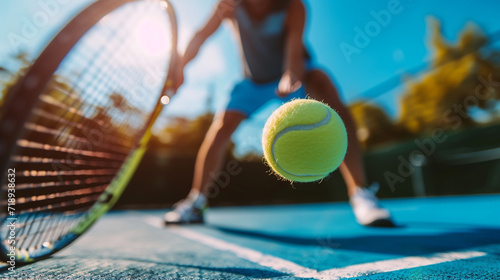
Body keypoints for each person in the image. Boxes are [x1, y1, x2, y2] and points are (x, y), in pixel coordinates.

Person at [165, 0, 394, 227]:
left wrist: (291, 74)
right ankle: (196, 202)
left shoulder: (294, 6)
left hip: (295, 72)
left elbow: (295, 51)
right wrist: (180, 65)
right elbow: (200, 36)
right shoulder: (229, 5)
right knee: (223, 126)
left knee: (323, 85)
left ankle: (360, 193)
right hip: (252, 81)